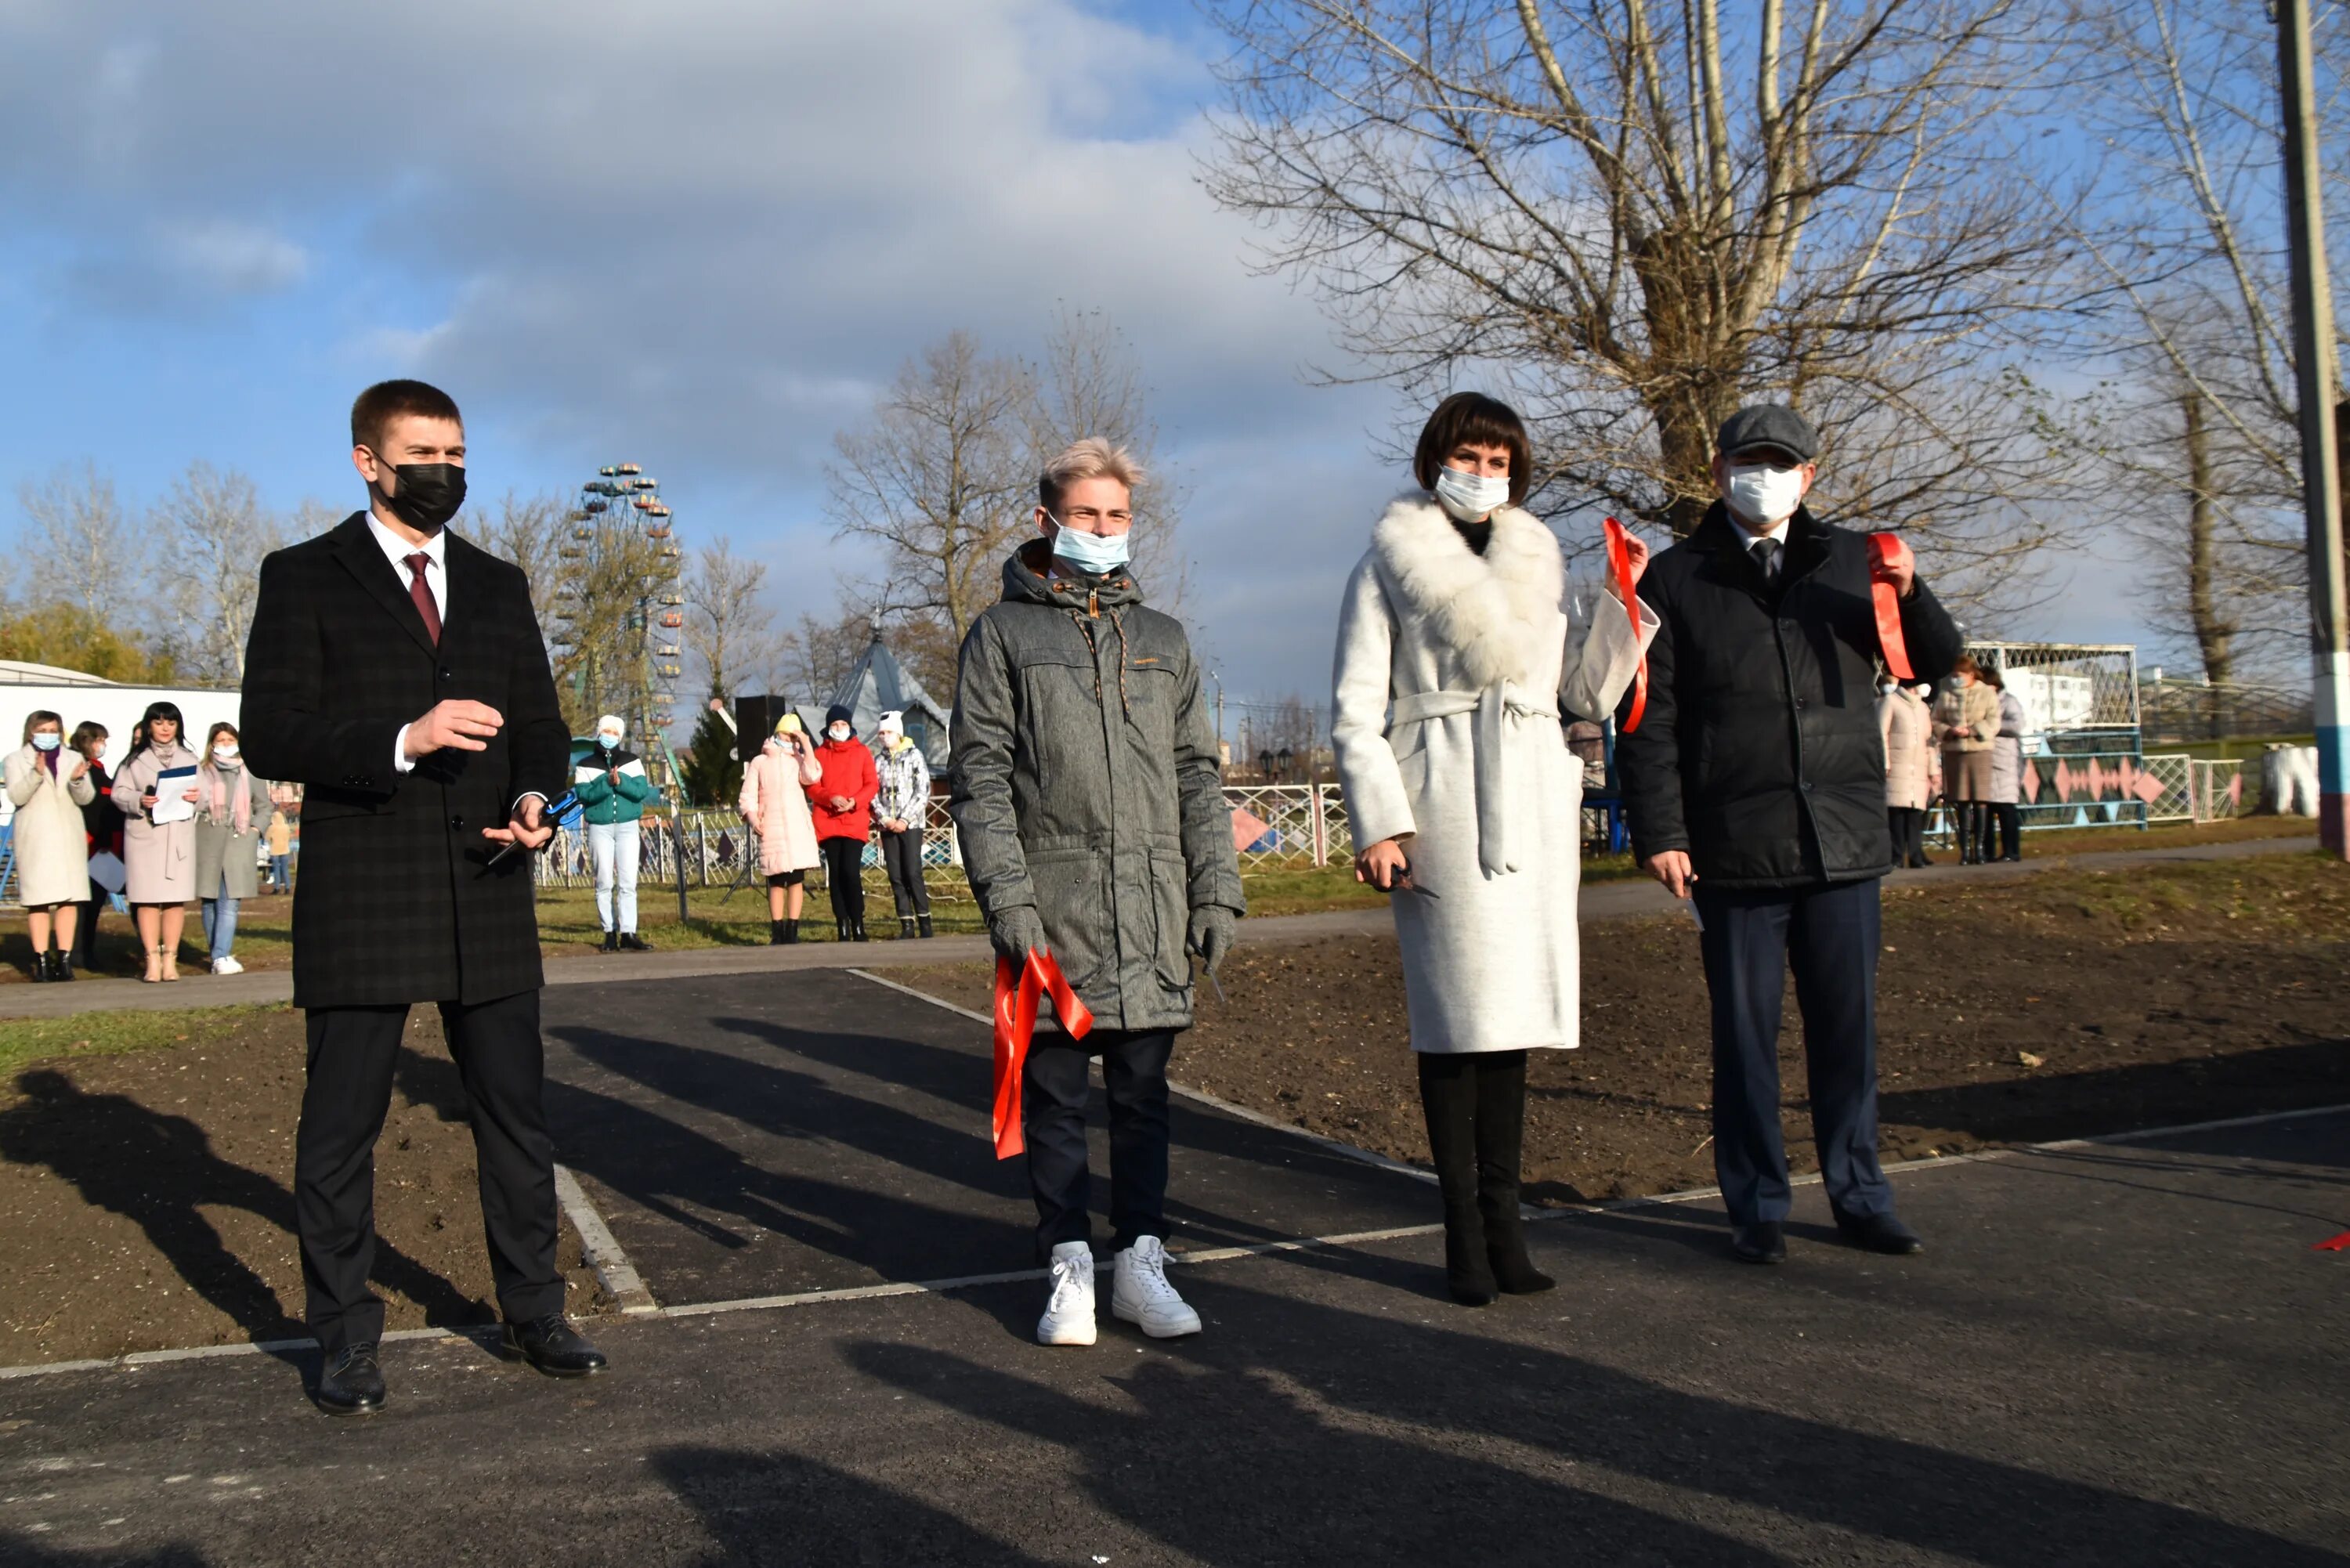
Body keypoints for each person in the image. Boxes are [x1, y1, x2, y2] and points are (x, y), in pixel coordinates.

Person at [241, 378, 606, 1417]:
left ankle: (534, 1310)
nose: (444, 472)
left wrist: (539, 795)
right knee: (339, 1128)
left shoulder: (499, 583)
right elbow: (271, 731)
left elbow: (541, 723)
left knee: (516, 1119)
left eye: (456, 453)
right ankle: (345, 1336)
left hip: (486, 883)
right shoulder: (305, 576)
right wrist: (406, 736)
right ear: (368, 460)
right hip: (365, 892)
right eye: (422, 455)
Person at [1331, 393, 1657, 1306]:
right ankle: (1462, 1234)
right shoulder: (1387, 563)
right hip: (1439, 794)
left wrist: (1628, 605)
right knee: (1455, 1023)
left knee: (1509, 1025)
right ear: (1436, 456)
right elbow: (1357, 708)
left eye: (1500, 461)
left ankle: (1508, 1224)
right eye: (1469, 455)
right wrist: (1381, 822)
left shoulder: (1537, 557)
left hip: (1531, 796)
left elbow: (1579, 695)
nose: (1484, 474)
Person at [1618, 404, 1962, 1266]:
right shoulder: (1673, 577)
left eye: (1782, 461)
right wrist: (1662, 829)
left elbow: (1932, 659)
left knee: (1848, 1032)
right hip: (1735, 844)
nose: (1763, 473)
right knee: (1743, 1038)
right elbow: (1648, 719)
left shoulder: (1859, 560)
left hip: (1843, 840)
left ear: (1810, 475)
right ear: (1718, 466)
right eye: (1748, 458)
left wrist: (1912, 589)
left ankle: (1860, 1193)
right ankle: (1757, 1204)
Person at [951, 436, 1244, 1348]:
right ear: (1048, 520)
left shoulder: (1163, 640)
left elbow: (1198, 773)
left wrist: (1215, 890)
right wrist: (1010, 903)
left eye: (1117, 516)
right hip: (1053, 911)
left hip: (1153, 908)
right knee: (1055, 1100)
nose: (1105, 529)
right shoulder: (1002, 635)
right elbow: (982, 778)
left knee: (1144, 1101)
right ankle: (1070, 1261)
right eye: (1087, 514)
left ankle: (1142, 1261)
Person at [111, 702, 202, 984]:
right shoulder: (133, 761)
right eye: (159, 722)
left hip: (178, 837)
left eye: (171, 723)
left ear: (178, 726)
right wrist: (139, 799)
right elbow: (118, 793)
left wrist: (197, 798)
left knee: (175, 900)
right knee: (147, 900)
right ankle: (151, 959)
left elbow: (208, 795)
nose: (165, 728)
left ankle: (170, 959)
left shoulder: (190, 759)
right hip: (145, 837)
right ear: (149, 725)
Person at [6, 710, 97, 981]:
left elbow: (87, 797)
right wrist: (35, 773)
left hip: (68, 837)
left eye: (53, 730)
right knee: (39, 900)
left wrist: (77, 780)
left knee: (69, 900)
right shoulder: (15, 760)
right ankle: (42, 960)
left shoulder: (73, 758)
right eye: (42, 730)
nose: (48, 736)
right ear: (31, 732)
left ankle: (65, 959)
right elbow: (16, 795)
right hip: (37, 838)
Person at [193, 722, 272, 977]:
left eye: (230, 740)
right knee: (209, 901)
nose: (226, 745)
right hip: (208, 838)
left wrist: (255, 830)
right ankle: (218, 954)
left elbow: (264, 806)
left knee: (230, 901)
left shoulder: (249, 771)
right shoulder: (202, 771)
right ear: (211, 743)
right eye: (221, 740)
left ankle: (220, 954)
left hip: (239, 839)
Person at [739, 712, 824, 943]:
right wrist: (754, 818)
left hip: (797, 828)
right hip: (771, 827)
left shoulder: (798, 759)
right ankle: (777, 930)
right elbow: (747, 795)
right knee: (775, 881)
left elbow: (813, 775)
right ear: (777, 733)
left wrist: (806, 744)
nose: (789, 739)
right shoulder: (760, 762)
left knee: (796, 879)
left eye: (793, 736)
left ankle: (793, 930)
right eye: (786, 734)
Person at [576, 714, 654, 952]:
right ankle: (609, 932)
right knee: (604, 881)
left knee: (628, 882)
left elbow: (640, 791)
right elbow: (584, 795)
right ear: (599, 733)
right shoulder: (585, 764)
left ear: (619, 736)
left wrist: (620, 783)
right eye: (606, 731)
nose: (609, 736)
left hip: (628, 826)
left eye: (614, 732)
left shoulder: (632, 761)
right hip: (600, 828)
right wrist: (607, 783)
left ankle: (628, 932)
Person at [808, 703, 878, 941]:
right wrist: (830, 798)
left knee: (850, 871)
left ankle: (858, 922)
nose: (839, 728)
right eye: (835, 724)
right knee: (836, 874)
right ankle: (842, 925)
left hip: (854, 820)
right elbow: (812, 787)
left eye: (843, 724)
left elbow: (871, 784)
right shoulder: (819, 754)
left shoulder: (862, 752)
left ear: (850, 726)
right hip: (828, 820)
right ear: (829, 728)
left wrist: (854, 801)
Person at [873, 710, 935, 939]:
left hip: (912, 824)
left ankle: (925, 921)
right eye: (880, 733)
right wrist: (885, 819)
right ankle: (906, 923)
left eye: (887, 732)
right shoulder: (877, 761)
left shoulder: (914, 756)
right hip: (887, 826)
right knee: (896, 874)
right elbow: (873, 793)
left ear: (897, 732)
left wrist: (905, 819)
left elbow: (923, 790)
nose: (883, 737)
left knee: (912, 871)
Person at [1934, 655, 2001, 864]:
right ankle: (1965, 851)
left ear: (1971, 675)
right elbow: (1935, 719)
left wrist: (1973, 730)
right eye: (1954, 676)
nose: (1956, 679)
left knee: (1980, 799)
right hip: (1955, 752)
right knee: (1961, 801)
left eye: (1959, 675)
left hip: (1979, 751)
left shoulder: (1986, 694)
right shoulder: (1946, 695)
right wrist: (1948, 731)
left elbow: (1993, 721)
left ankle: (1980, 848)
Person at [68, 721, 122, 974]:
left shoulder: (99, 769)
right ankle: (79, 952)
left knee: (95, 904)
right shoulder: (82, 769)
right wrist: (100, 839)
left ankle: (86, 951)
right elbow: (90, 808)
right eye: (101, 740)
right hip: (91, 847)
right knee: (86, 905)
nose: (103, 746)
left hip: (105, 846)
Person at [1878, 676, 1936, 869]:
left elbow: (1929, 742)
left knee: (1914, 813)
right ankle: (1896, 856)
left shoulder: (1922, 708)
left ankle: (1915, 854)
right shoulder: (1891, 701)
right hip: (1896, 766)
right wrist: (1885, 762)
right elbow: (1881, 733)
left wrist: (1933, 769)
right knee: (1896, 812)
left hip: (1917, 767)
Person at [1985, 668, 2028, 862]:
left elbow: (2017, 725)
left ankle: (2012, 851)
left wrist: (1992, 726)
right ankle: (1987, 851)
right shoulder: (1980, 702)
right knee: (1985, 809)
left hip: (2005, 761)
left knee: (2006, 808)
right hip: (1985, 759)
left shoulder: (2008, 701)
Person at [266, 805, 295, 893]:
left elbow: (267, 838)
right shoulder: (286, 827)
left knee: (276, 870)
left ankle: (277, 888)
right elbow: (289, 837)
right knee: (285, 869)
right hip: (285, 850)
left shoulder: (272, 827)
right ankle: (287, 888)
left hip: (275, 851)